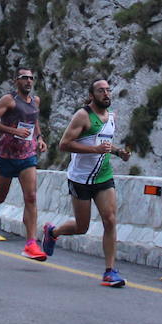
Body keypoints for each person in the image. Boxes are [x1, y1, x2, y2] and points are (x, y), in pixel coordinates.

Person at [41, 79, 131, 287]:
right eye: (101, 91)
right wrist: (94, 150)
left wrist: (118, 152)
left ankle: (110, 271)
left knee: (109, 219)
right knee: (82, 227)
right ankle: (53, 233)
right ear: (91, 95)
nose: (106, 94)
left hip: (103, 176)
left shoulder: (111, 117)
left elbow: (104, 143)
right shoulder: (82, 116)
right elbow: (64, 144)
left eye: (108, 90)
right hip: (80, 178)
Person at [0, 68, 49, 260]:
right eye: (24, 78)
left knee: (31, 197)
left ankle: (31, 244)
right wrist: (12, 131)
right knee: (0, 197)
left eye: (31, 78)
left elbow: (33, 121)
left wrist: (40, 138)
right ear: (16, 81)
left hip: (27, 156)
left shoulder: (35, 101)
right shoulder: (8, 100)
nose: (28, 81)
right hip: (6, 156)